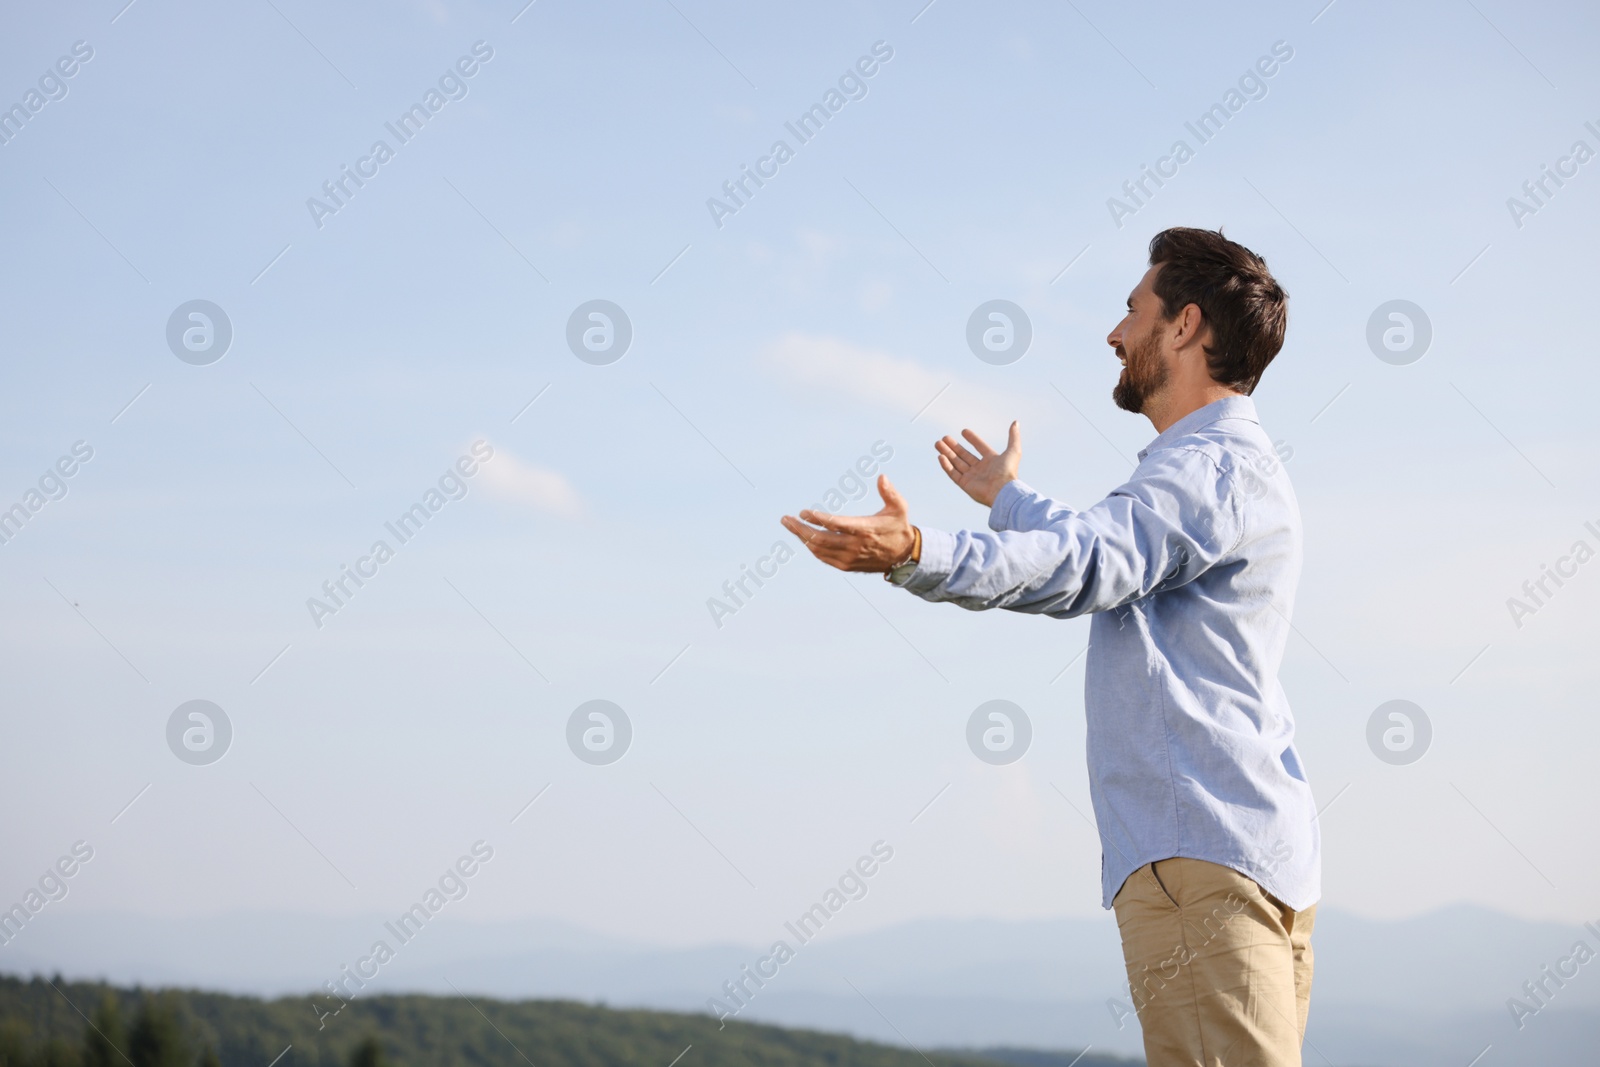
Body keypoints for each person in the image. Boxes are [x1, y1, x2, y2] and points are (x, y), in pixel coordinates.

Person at [780, 227, 1319, 1067]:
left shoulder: (1202, 470)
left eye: (1131, 310)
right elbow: (1120, 553)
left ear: (1182, 326)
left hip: (1200, 857)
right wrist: (1008, 498)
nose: (1115, 334)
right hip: (1245, 855)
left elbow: (1093, 562)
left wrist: (920, 551)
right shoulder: (1218, 472)